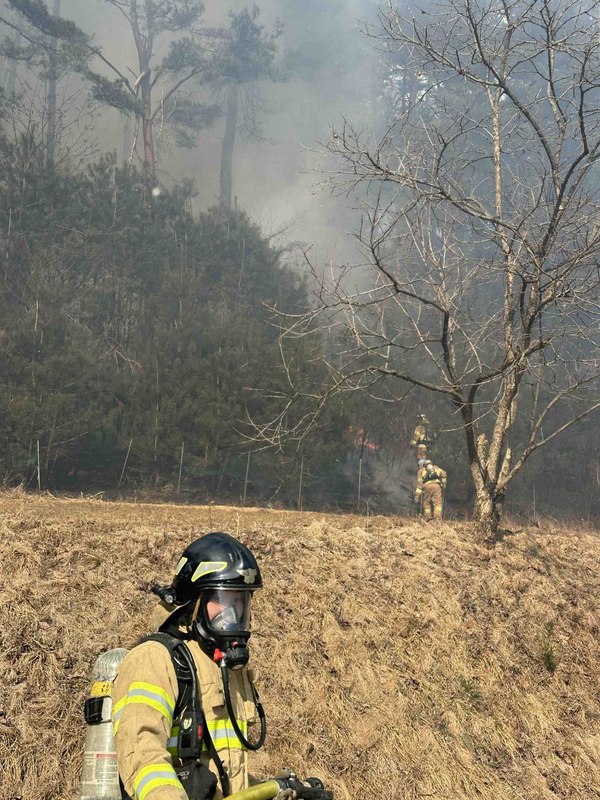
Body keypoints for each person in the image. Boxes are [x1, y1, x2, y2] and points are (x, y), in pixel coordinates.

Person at [112, 532, 278, 800]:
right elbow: (141, 755)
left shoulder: (226, 668)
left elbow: (226, 771)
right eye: (225, 602)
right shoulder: (155, 659)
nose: (234, 616)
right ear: (195, 603)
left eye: (241, 602)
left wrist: (275, 790)